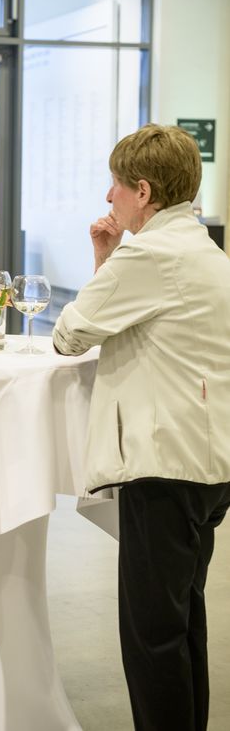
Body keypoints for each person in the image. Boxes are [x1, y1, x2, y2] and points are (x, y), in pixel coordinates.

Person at [52, 124, 230, 731]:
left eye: (116, 186)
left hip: (166, 462)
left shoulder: (150, 253)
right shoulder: (201, 245)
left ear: (144, 191)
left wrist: (103, 263)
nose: (109, 198)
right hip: (206, 458)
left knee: (151, 636)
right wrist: (111, 264)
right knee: (183, 623)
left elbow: (69, 333)